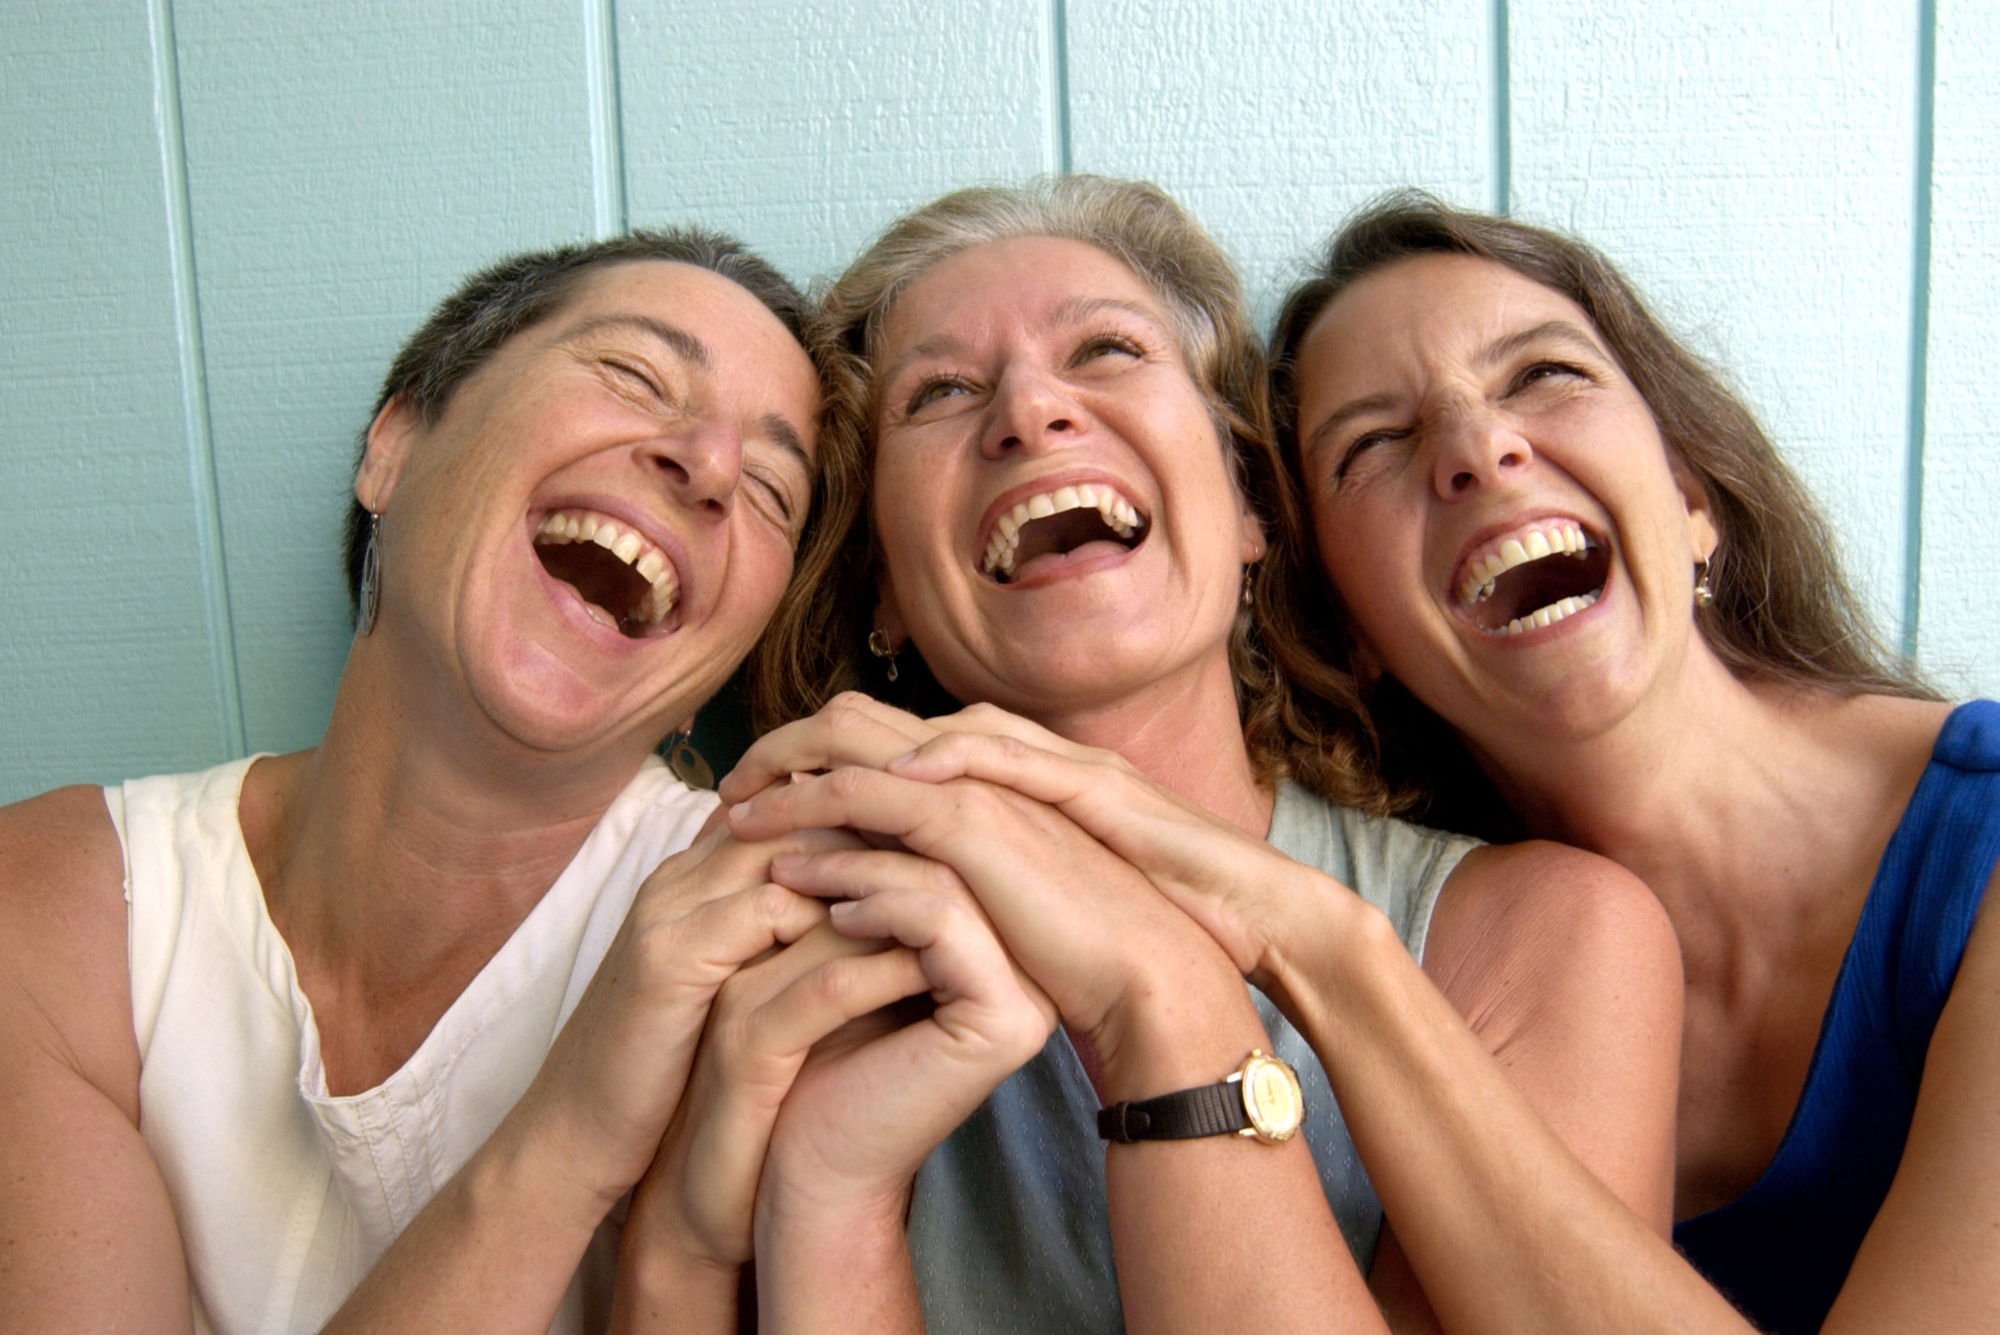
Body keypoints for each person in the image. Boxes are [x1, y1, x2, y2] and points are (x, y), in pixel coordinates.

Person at [676, 176, 1685, 1334]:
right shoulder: (801, 963)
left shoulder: (1533, 938)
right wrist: (830, 1199)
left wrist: (1156, 990)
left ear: (1249, 505)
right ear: (882, 593)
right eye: (941, 391)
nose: (1029, 413)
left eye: (1106, 350)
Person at [0, 228, 898, 1335]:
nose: (708, 469)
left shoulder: (786, 947)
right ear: (394, 444)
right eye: (631, 373)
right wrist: (564, 1140)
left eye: (770, 488)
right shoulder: (56, 907)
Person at [1271, 192, 2000, 1333]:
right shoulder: (1452, 947)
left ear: (1690, 495)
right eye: (1370, 443)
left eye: (1542, 375)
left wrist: (1340, 972)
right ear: (1348, 632)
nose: (1476, 447)